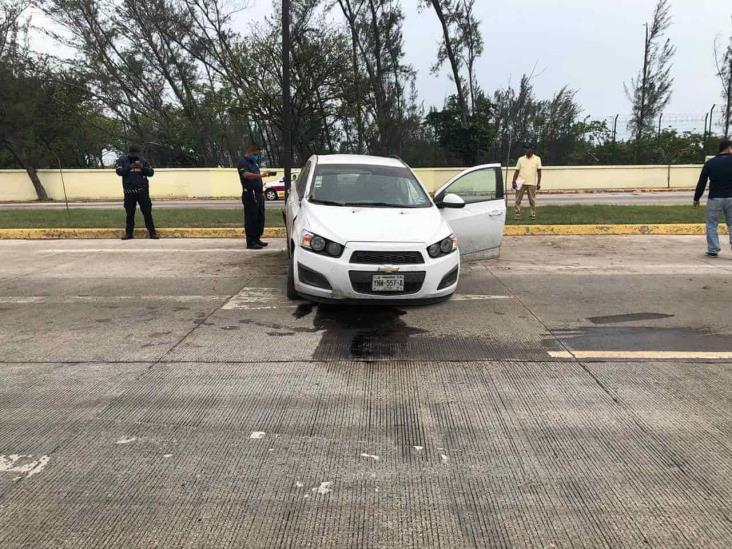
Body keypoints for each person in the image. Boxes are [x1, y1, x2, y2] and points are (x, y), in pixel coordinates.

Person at [694, 138, 732, 257]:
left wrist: (697, 198)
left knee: (711, 224)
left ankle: (713, 249)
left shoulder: (710, 163)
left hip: (715, 198)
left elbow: (702, 182)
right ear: (729, 148)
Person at [115, 144, 158, 240]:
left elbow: (151, 173)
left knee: (147, 212)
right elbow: (119, 172)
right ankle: (129, 234)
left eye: (136, 154)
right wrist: (129, 167)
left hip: (142, 192)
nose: (135, 156)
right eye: (133, 154)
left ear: (139, 153)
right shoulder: (123, 160)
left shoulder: (143, 161)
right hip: (129, 192)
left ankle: (152, 233)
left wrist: (142, 167)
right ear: (129, 153)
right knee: (130, 213)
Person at [238, 144, 276, 249]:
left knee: (260, 216)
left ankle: (257, 238)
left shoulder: (254, 163)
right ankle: (250, 241)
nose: (256, 156)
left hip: (258, 193)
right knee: (251, 217)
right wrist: (261, 175)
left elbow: (258, 179)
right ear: (250, 152)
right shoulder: (242, 162)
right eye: (255, 154)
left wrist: (262, 191)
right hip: (250, 194)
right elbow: (245, 175)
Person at [512, 143, 543, 220]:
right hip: (520, 181)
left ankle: (533, 214)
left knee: (532, 200)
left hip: (531, 182)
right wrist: (513, 181)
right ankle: (517, 214)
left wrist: (538, 183)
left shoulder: (537, 159)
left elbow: (539, 172)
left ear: (531, 149)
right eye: (525, 148)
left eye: (527, 148)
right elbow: (516, 171)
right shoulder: (520, 159)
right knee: (517, 200)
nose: (525, 150)